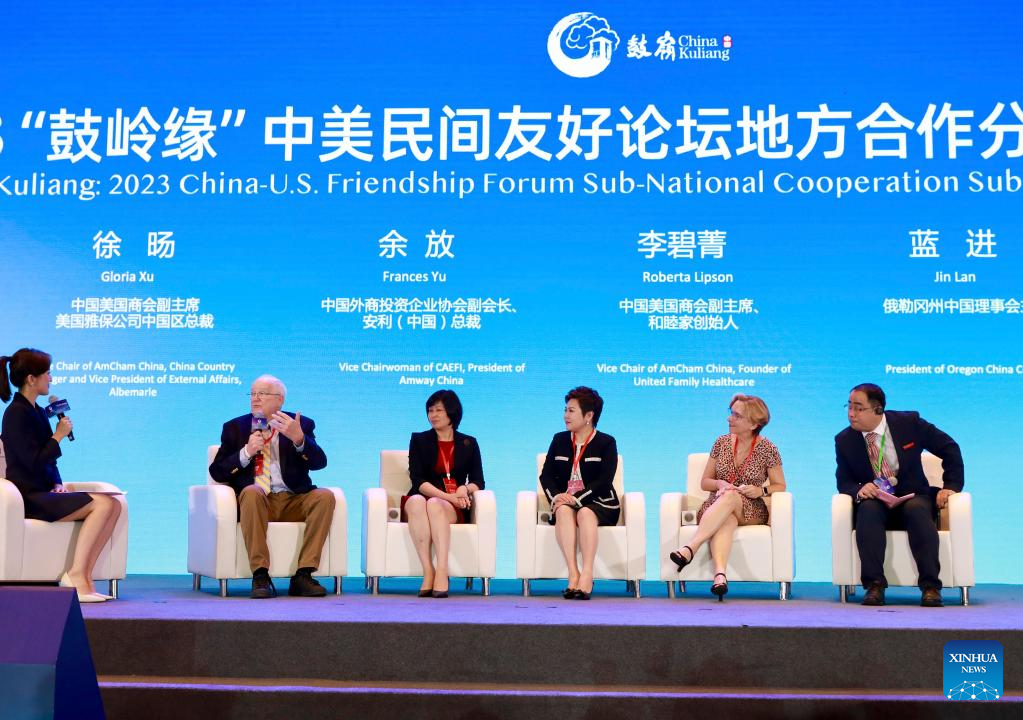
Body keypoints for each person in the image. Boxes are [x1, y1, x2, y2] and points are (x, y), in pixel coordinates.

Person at [0, 348, 122, 603]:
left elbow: (49, 460)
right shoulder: (16, 414)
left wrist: (57, 482)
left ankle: (84, 577)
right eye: (46, 373)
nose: (51, 378)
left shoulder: (36, 410)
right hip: (28, 496)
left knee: (113, 504)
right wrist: (58, 435)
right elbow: (31, 461)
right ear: (31, 379)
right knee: (103, 505)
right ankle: (77, 576)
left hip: (44, 491)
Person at [835, 383, 963, 607]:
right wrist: (858, 489)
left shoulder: (909, 423)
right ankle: (874, 586)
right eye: (849, 406)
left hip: (913, 496)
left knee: (916, 509)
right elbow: (844, 481)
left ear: (877, 409)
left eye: (858, 408)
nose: (851, 414)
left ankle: (931, 587)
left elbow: (949, 448)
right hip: (877, 500)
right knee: (868, 510)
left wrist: (950, 485)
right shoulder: (844, 440)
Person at [209, 374, 335, 598]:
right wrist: (246, 452)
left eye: (262, 393)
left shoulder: (300, 424)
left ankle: (303, 575)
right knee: (252, 491)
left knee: (325, 496)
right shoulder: (235, 427)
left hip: (293, 499)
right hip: (257, 501)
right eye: (252, 393)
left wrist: (299, 440)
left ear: (280, 400)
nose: (255, 398)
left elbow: (319, 463)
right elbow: (217, 471)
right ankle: (260, 575)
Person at [669, 394, 786, 600]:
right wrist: (719, 484)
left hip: (751, 508)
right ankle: (720, 576)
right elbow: (705, 482)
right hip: (716, 505)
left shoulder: (768, 449)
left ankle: (690, 547)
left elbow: (780, 485)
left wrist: (761, 491)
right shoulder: (721, 442)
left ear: (753, 424)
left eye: (736, 416)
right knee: (727, 519)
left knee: (731, 496)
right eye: (731, 413)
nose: (729, 418)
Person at [539, 386, 619, 600]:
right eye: (565, 410)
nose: (566, 415)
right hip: (566, 500)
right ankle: (573, 573)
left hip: (600, 502)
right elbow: (546, 476)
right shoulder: (559, 440)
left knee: (584, 513)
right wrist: (557, 497)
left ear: (589, 415)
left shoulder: (606, 442)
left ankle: (587, 573)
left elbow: (604, 481)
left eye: (571, 411)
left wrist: (576, 499)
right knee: (563, 510)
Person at [405, 389, 484, 598]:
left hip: (448, 505)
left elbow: (479, 481)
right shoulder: (419, 440)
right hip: (426, 497)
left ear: (452, 412)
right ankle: (428, 570)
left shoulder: (469, 443)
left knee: (434, 505)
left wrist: (464, 489)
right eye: (430, 410)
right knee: (416, 501)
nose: (433, 415)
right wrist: (449, 496)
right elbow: (418, 480)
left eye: (439, 410)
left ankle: (442, 570)